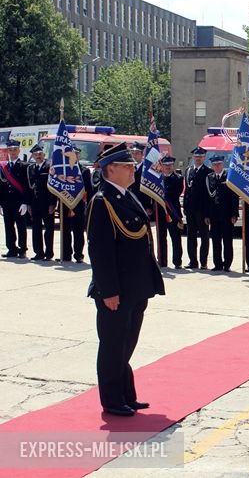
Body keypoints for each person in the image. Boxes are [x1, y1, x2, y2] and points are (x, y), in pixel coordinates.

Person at [85, 143, 165, 416]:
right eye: (127, 166)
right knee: (113, 344)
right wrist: (108, 291)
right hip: (116, 290)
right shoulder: (102, 202)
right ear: (111, 170)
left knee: (127, 342)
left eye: (132, 165)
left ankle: (126, 394)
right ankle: (112, 399)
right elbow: (100, 251)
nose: (133, 169)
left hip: (136, 287)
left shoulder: (127, 196)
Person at [205, 155, 239, 272]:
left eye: (219, 164)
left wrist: (234, 214)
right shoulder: (209, 177)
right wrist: (207, 215)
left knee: (227, 241)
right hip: (214, 216)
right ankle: (217, 264)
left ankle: (227, 264)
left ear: (223, 164)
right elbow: (207, 199)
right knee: (216, 241)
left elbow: (234, 197)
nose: (217, 166)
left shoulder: (229, 177)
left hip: (227, 215)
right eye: (214, 165)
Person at [183, 146, 213, 269]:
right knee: (191, 237)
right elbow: (187, 191)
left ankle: (203, 262)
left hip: (202, 210)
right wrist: (185, 207)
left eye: (200, 157)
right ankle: (193, 261)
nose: (198, 158)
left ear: (204, 158)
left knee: (204, 237)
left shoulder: (208, 172)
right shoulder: (189, 170)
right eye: (196, 156)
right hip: (190, 210)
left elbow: (209, 195)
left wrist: (207, 214)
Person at [0, 139, 30, 259]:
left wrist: (25, 202)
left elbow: (27, 186)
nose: (12, 152)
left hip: (19, 202)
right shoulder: (3, 167)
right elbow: (1, 186)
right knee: (8, 227)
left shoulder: (24, 166)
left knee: (21, 227)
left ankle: (22, 249)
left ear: (19, 151)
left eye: (15, 150)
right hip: (7, 202)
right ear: (7, 151)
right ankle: (11, 249)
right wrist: (0, 203)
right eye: (10, 150)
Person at [27, 144, 56, 261]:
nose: (38, 156)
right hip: (35, 204)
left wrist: (53, 203)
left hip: (47, 203)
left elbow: (54, 186)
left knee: (49, 229)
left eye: (40, 154)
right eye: (35, 154)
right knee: (36, 229)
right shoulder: (30, 168)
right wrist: (28, 204)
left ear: (44, 154)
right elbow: (28, 187)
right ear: (33, 156)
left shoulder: (50, 167)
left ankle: (49, 253)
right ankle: (38, 252)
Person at [156, 156, 184, 269]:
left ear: (173, 166)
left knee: (176, 238)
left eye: (170, 165)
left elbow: (175, 193)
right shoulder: (157, 179)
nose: (167, 167)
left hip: (173, 212)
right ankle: (162, 261)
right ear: (162, 166)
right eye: (165, 165)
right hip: (160, 212)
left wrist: (163, 192)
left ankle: (177, 262)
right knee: (161, 238)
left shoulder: (178, 178)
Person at [59, 146, 87, 263]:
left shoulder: (84, 171)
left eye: (76, 154)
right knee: (65, 231)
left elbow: (88, 189)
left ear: (79, 156)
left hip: (79, 205)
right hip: (65, 205)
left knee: (78, 232)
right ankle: (66, 254)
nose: (74, 156)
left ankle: (78, 255)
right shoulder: (63, 171)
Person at [128, 141, 152, 216]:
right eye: (133, 153)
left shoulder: (147, 170)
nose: (134, 155)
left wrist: (149, 206)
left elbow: (151, 189)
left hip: (143, 205)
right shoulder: (127, 168)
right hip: (129, 204)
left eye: (137, 153)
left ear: (142, 154)